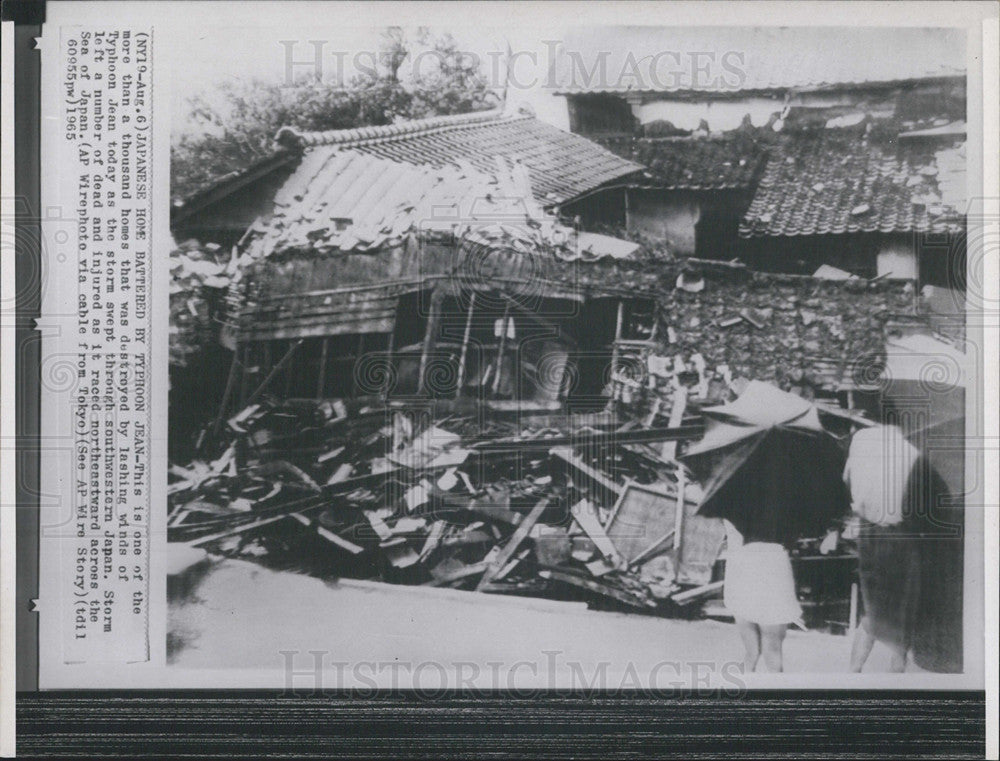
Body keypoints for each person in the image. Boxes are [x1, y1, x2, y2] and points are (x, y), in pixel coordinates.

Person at [722, 518, 802, 673]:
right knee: (773, 650)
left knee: (752, 652)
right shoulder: (778, 503)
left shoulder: (730, 502)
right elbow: (790, 537)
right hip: (771, 564)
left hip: (739, 570)